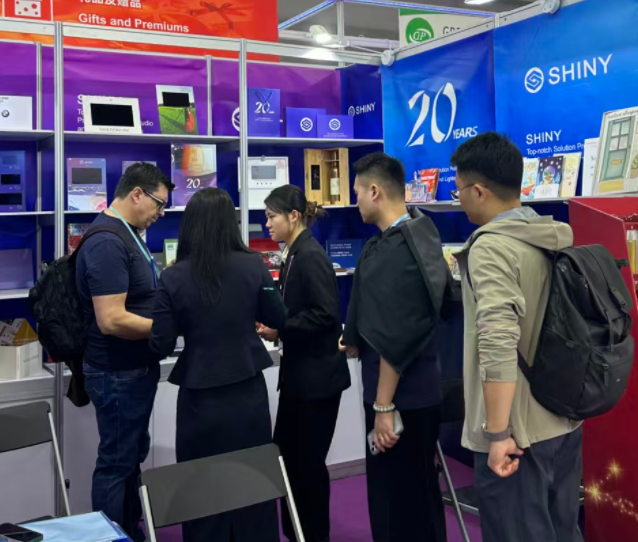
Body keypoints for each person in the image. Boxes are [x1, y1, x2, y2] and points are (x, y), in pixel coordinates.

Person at [450, 132, 582, 542]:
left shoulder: (491, 248)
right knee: (561, 531)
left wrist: (498, 433)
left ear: (479, 191)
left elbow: (498, 343)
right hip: (562, 417)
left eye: (459, 191)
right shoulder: (551, 236)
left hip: (517, 434)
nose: (459, 200)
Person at [149, 188, 287, 542]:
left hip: (199, 400)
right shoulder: (253, 265)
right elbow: (277, 317)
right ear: (230, 222)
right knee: (254, 482)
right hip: (247, 393)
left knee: (201, 490)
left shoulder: (173, 277)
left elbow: (160, 342)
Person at [341, 152, 450, 542]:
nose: (355, 200)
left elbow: (397, 334)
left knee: (402, 507)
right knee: (412, 498)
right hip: (409, 392)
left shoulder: (399, 249)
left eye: (357, 191)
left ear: (375, 191)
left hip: (402, 398)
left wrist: (384, 407)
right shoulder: (410, 236)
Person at [76, 162, 174, 542]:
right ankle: (110, 537)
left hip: (133, 369)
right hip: (117, 373)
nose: (160, 213)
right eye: (159, 204)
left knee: (129, 458)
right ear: (136, 194)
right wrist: (167, 328)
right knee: (117, 464)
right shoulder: (107, 242)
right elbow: (111, 319)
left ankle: (129, 531)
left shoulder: (127, 234)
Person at [257, 185, 351, 542]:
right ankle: (298, 531)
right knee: (290, 460)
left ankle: (312, 534)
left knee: (306, 467)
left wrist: (281, 329)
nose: (267, 224)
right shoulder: (295, 252)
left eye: (272, 216)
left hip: (317, 381)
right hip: (300, 377)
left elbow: (326, 315)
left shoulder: (310, 256)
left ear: (293, 216)